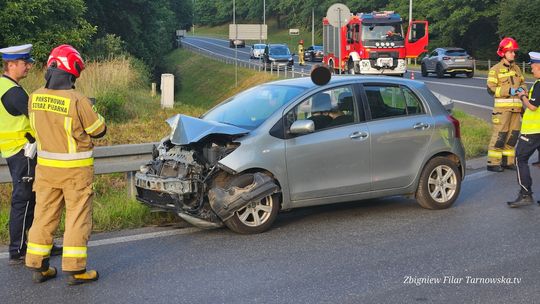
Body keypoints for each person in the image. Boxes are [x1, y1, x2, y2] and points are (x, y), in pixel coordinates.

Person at [25, 45, 106, 285]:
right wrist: (95, 112)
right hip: (75, 173)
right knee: (77, 218)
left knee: (43, 216)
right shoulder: (78, 100)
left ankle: (38, 267)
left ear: (51, 66)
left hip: (46, 170)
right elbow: (98, 130)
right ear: (73, 71)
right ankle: (75, 270)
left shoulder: (35, 96)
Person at [0, 44, 62, 265]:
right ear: (11, 64)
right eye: (25, 63)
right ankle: (17, 250)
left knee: (34, 199)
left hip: (17, 151)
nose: (28, 67)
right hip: (23, 152)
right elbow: (37, 115)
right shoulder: (12, 92)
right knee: (24, 200)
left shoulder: (5, 86)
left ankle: (40, 243)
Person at [486, 37, 527, 172]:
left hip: (516, 109)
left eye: (514, 52)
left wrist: (523, 90)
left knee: (512, 136)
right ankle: (493, 163)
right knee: (500, 136)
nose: (513, 54)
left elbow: (523, 83)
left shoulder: (517, 68)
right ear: (503, 53)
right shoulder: (495, 70)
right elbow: (491, 88)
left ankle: (507, 162)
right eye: (511, 52)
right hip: (502, 111)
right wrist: (509, 90)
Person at [507, 52, 540, 207]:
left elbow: (533, 106)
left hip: (533, 131)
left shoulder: (539, 84)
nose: (531, 70)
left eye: (533, 67)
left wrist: (522, 96)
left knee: (520, 159)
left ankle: (525, 194)